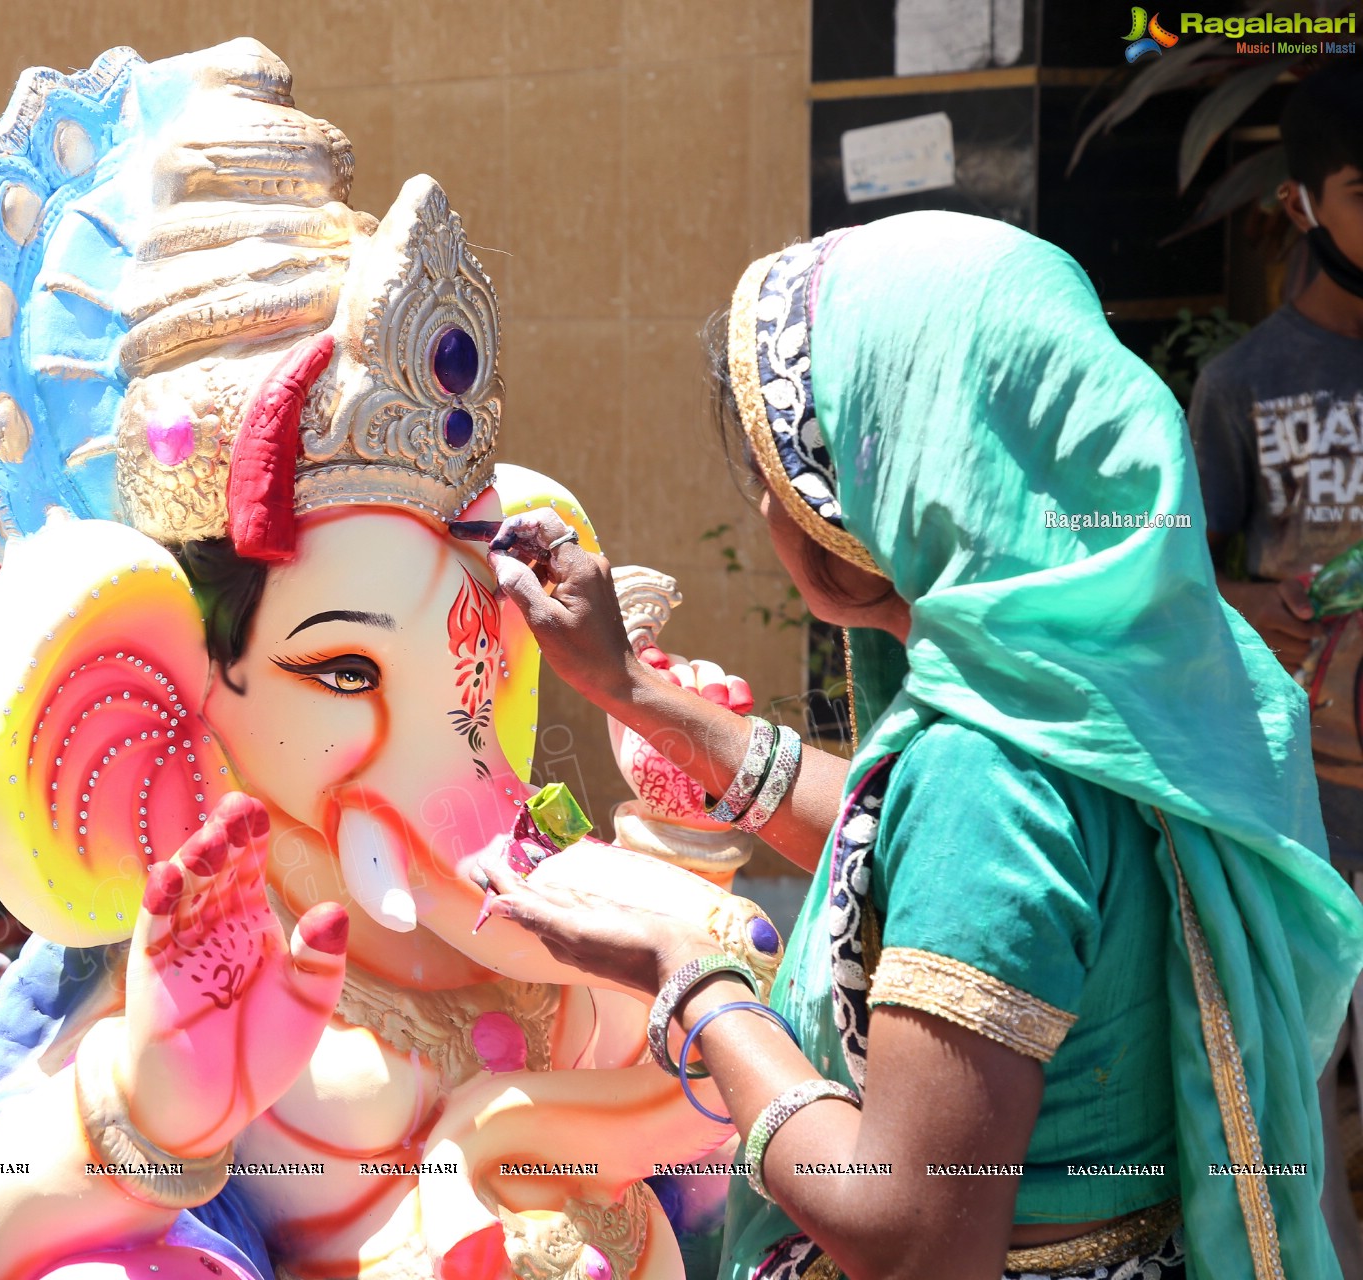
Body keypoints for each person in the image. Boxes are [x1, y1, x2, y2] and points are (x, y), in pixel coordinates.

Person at [477, 210, 1363, 1279]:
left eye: (789, 460)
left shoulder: (983, 776)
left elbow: (909, 1232)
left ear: (887, 478)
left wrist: (694, 984)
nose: (768, 497)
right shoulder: (1135, 667)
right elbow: (928, 860)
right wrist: (629, 691)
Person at [1190, 60, 1363, 870]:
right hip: (1308, 800)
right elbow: (1175, 568)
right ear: (1300, 204)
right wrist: (1254, 599)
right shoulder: (1243, 385)